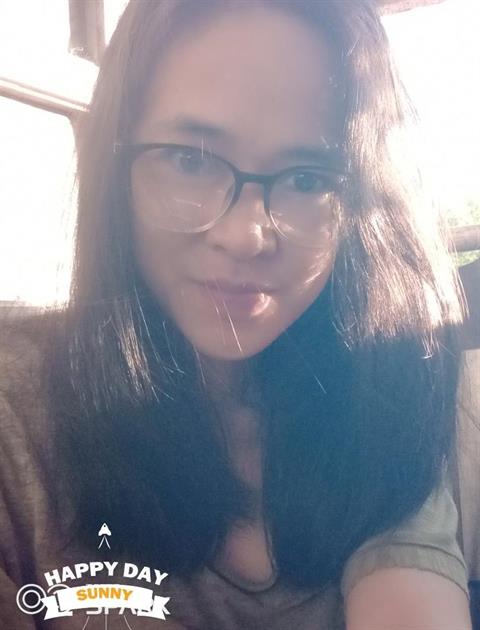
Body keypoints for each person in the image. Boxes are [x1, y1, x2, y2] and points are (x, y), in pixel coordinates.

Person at [0, 1, 474, 628]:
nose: (246, 235)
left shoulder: (382, 385)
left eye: (307, 178)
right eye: (190, 159)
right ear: (111, 163)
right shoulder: (16, 414)